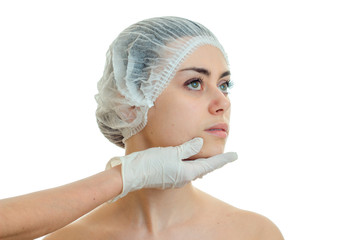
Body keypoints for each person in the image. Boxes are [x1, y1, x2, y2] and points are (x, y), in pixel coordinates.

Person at [44, 16, 284, 239]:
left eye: (224, 85)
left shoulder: (254, 233)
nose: (223, 102)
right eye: (194, 83)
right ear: (128, 102)